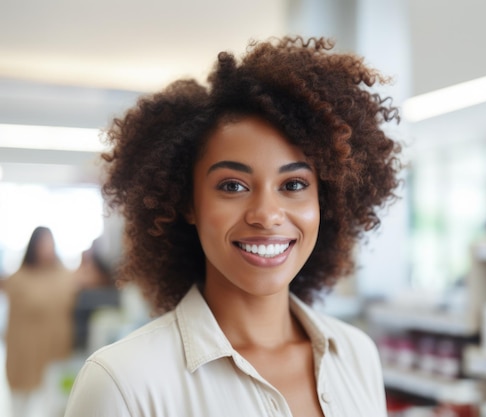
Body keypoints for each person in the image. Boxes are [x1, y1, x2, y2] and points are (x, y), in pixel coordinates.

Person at [64, 36, 402, 417]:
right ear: (188, 202)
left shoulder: (357, 355)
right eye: (233, 186)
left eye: (293, 185)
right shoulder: (123, 383)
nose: (266, 214)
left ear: (324, 200)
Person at [2, 226, 78, 417]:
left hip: (54, 350)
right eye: (43, 244)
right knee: (21, 404)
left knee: (55, 402)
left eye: (50, 244)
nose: (47, 249)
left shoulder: (64, 277)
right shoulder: (19, 279)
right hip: (25, 350)